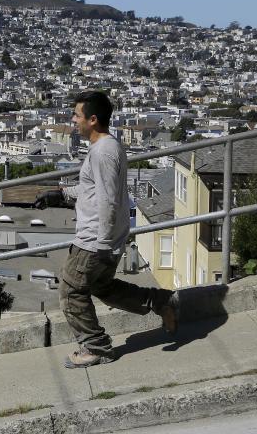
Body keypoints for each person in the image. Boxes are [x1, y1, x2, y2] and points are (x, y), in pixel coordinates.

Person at [50, 91, 178, 368]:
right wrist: (61, 195)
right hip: (103, 236)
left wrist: (103, 244)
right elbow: (91, 189)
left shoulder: (104, 152)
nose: (73, 120)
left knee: (71, 291)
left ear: (93, 120)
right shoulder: (105, 147)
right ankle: (161, 301)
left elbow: (108, 198)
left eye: (77, 115)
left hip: (94, 238)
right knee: (102, 287)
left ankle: (96, 347)